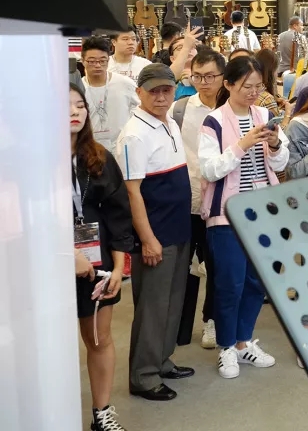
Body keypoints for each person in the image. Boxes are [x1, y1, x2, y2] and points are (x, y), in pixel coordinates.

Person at [198, 56, 288, 379]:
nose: (253, 92)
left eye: (258, 86)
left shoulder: (263, 115)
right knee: (230, 282)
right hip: (227, 214)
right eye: (247, 86)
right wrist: (241, 145)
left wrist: (276, 145)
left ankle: (243, 341)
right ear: (228, 85)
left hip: (262, 212)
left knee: (256, 281)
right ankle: (226, 346)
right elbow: (209, 169)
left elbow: (280, 164)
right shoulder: (213, 121)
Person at [116, 64, 194, 402]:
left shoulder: (170, 122)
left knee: (172, 302)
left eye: (166, 90)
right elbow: (132, 192)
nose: (161, 97)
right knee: (152, 306)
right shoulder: (134, 134)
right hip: (155, 233)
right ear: (139, 93)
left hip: (178, 228)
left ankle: (162, 360)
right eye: (153, 91)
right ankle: (143, 375)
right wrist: (147, 239)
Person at [71, 84, 135, 431]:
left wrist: (118, 266)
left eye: (79, 105)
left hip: (97, 266)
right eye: (65, 106)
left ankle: (102, 413)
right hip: (44, 267)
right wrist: (66, 255)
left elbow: (118, 214)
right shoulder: (29, 161)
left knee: (99, 338)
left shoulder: (99, 157)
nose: (74, 111)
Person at [170, 48, 225, 351]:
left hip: (219, 202)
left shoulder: (229, 110)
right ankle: (180, 326)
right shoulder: (180, 108)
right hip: (187, 198)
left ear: (223, 77)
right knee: (184, 266)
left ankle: (211, 321)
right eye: (198, 76)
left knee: (216, 265)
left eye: (210, 76)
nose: (203, 82)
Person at [81, 35, 140, 153]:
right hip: (90, 149)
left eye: (102, 61)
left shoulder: (124, 83)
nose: (98, 65)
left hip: (122, 147)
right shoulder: (79, 88)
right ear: (83, 61)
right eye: (92, 61)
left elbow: (140, 108)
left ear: (108, 60)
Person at [254, 48, 284, 117]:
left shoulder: (252, 91)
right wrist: (288, 113)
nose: (277, 73)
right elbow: (277, 123)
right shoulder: (266, 98)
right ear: (271, 72)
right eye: (276, 69)